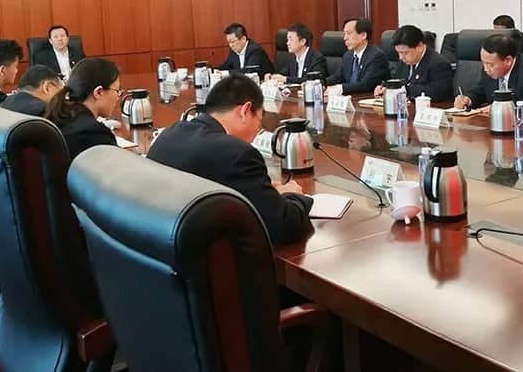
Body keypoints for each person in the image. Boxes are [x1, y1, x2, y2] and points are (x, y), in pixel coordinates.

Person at [147, 74, 312, 245]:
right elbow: (282, 227)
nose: (257, 131)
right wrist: (293, 195)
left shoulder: (168, 135)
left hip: (159, 247)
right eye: (259, 121)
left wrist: (263, 191)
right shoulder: (238, 154)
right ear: (245, 111)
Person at [454, 33, 523, 114]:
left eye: (490, 65)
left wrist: (505, 108)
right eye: (483, 63)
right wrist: (468, 99)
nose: (486, 69)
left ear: (508, 60)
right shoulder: (489, 70)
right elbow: (479, 91)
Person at [44, 58, 120, 160]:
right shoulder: (93, 133)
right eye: (117, 91)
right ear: (99, 92)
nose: (118, 97)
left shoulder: (61, 115)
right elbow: (118, 167)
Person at [374, 25, 453, 102]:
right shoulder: (405, 61)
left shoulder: (439, 64)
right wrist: (386, 88)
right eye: (398, 53)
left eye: (405, 53)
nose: (401, 57)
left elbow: (438, 92)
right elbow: (399, 81)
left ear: (419, 47)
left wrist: (404, 90)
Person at [326, 18, 390, 95]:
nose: (345, 38)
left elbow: (366, 84)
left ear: (363, 35)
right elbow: (337, 78)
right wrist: (321, 83)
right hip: (350, 98)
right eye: (345, 34)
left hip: (368, 98)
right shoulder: (348, 55)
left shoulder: (376, 56)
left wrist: (340, 88)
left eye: (349, 33)